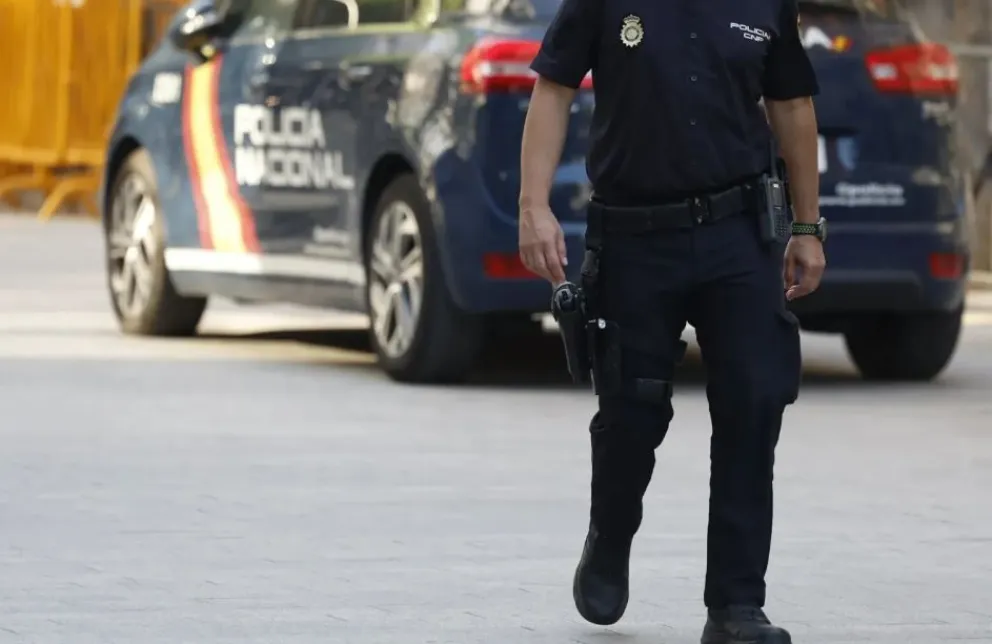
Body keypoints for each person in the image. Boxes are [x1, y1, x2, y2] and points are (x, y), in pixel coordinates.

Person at [518, 1, 826, 643]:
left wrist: (805, 226)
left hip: (739, 232)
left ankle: (736, 605)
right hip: (635, 235)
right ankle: (609, 537)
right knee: (632, 410)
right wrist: (533, 206)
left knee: (753, 400)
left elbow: (792, 106)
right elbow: (554, 89)